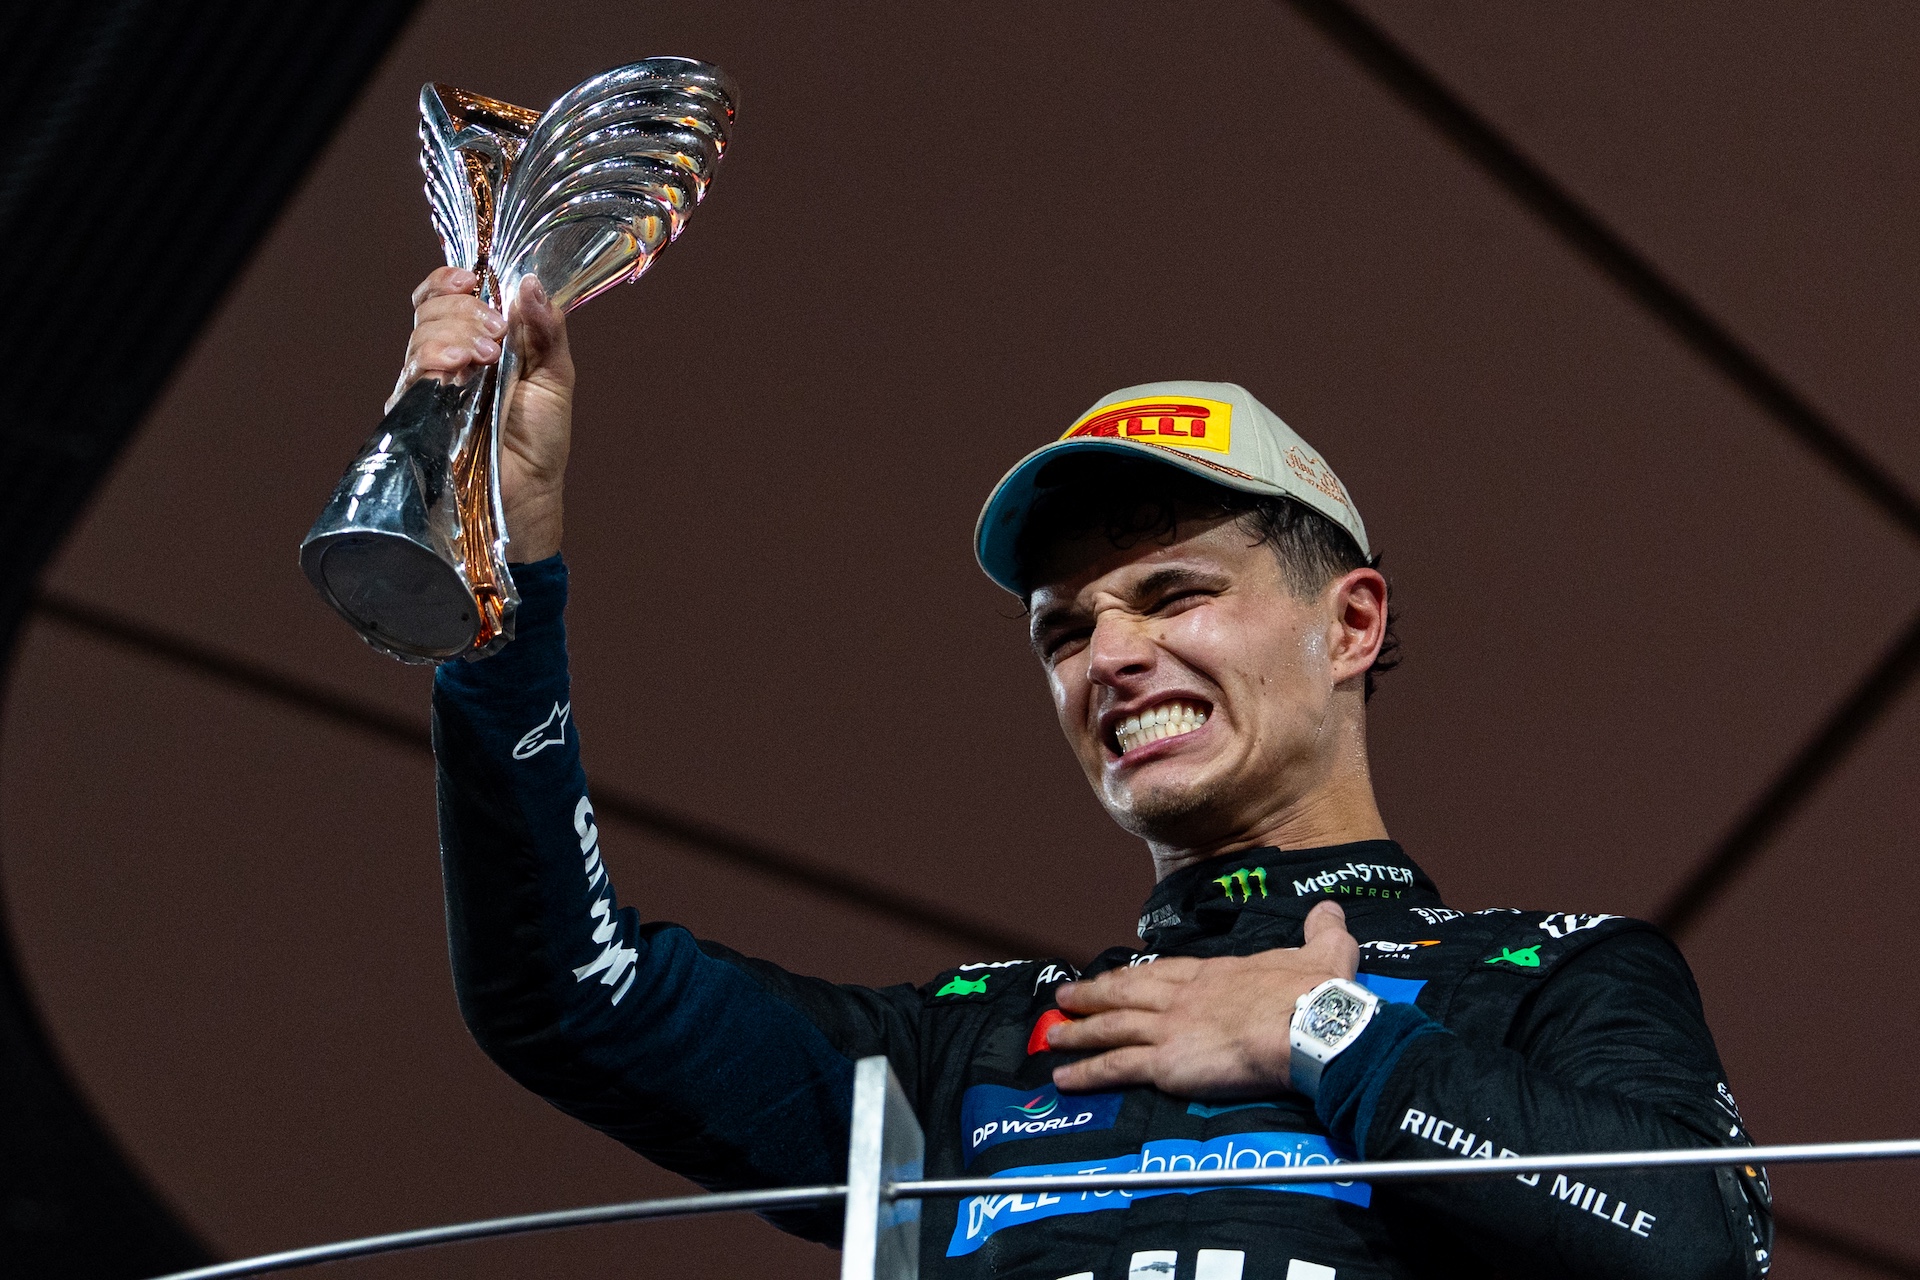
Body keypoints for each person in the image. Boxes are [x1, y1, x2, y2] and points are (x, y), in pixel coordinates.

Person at [409, 266, 1772, 1280]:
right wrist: (500, 580)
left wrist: (1334, 1036)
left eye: (1175, 595)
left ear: (1348, 624)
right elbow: (565, 997)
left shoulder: (1551, 976)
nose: (1108, 656)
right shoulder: (967, 1045)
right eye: (1066, 629)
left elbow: (1694, 1248)